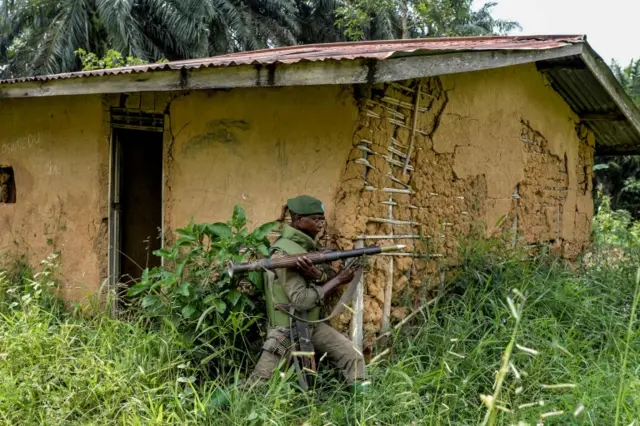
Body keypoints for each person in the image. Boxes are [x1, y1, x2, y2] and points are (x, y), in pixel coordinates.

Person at [250, 195, 367, 392]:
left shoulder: (309, 246)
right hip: (287, 330)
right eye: (315, 219)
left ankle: (363, 412)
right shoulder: (284, 254)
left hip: (311, 325)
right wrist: (337, 281)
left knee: (353, 358)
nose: (321, 223)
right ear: (297, 220)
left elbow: (326, 273)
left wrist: (319, 275)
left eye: (322, 218)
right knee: (256, 386)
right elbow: (302, 300)